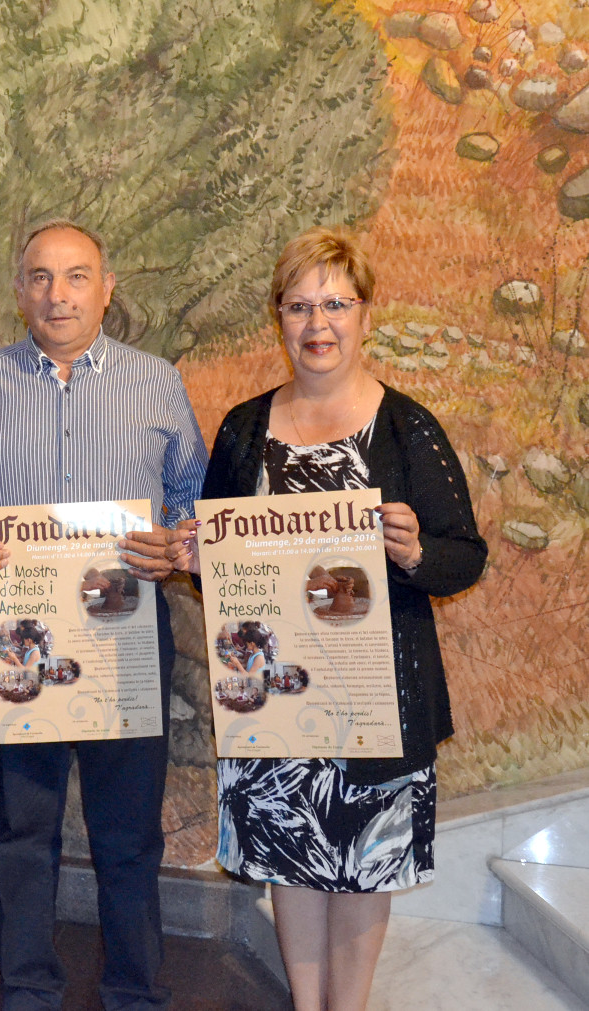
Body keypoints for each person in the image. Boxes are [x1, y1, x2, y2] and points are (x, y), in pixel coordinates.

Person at [169, 227, 486, 1011]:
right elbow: (226, 566)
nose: (318, 323)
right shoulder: (244, 429)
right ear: (278, 317)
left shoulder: (409, 429)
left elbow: (465, 556)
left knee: (364, 866)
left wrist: (415, 554)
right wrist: (198, 558)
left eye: (336, 304)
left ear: (365, 315)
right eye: (300, 305)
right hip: (273, 693)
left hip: (375, 694)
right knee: (291, 853)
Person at [0, 220, 206, 1011]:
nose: (59, 294)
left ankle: (134, 992)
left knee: (128, 836)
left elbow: (191, 497)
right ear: (18, 291)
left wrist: (178, 543)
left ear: (106, 288)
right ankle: (27, 990)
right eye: (41, 277)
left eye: (77, 276)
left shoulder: (157, 383)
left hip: (126, 638)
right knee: (24, 833)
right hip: (17, 638)